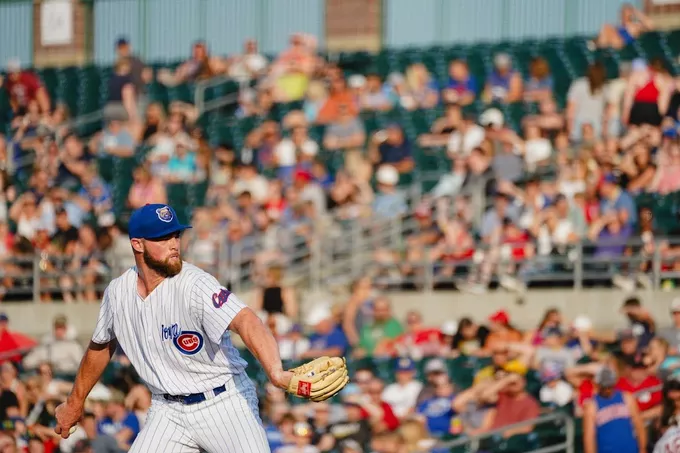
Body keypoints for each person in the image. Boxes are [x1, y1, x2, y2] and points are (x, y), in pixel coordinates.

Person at [53, 203, 346, 452]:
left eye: (175, 235)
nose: (173, 244)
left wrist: (277, 372)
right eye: (162, 237)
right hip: (166, 410)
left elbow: (246, 320)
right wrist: (74, 402)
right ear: (137, 244)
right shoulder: (117, 293)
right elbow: (101, 346)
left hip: (224, 403)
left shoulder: (195, 283)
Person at [583, 367, 646, 453]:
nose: (607, 389)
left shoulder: (626, 398)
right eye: (604, 386)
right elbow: (589, 438)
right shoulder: (592, 406)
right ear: (598, 385)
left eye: (609, 386)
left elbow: (639, 425)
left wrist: (642, 448)